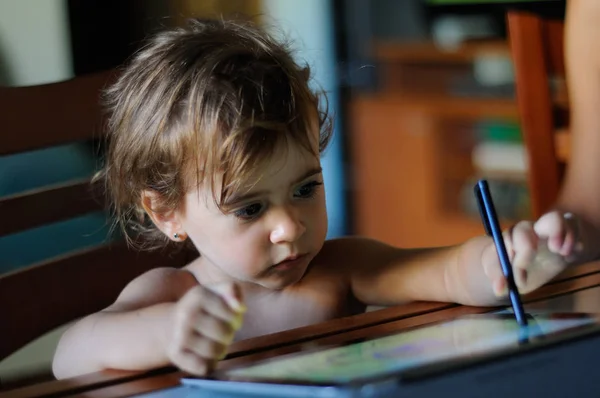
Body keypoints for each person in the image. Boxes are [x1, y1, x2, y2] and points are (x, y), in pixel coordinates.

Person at [51, 18, 595, 379]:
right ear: (168, 213)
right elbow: (68, 357)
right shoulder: (174, 292)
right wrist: (167, 333)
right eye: (250, 208)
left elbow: (449, 272)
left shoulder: (339, 269)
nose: (289, 226)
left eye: (305, 188)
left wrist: (509, 261)